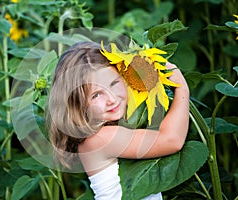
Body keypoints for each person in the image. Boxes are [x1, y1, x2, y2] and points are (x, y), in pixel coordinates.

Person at [47, 41, 190, 199]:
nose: (112, 99)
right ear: (76, 104)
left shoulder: (113, 127)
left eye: (114, 83)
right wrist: (182, 89)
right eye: (96, 95)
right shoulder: (100, 139)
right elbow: (171, 140)